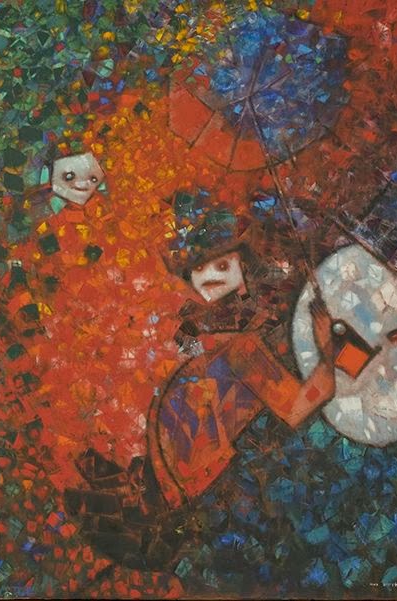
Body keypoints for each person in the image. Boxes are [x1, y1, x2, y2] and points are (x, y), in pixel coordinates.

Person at [64, 188, 335, 570]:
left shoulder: (168, 457)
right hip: (256, 356)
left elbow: (199, 368)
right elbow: (295, 406)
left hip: (240, 355)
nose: (117, 472)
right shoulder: (182, 461)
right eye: (117, 491)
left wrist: (191, 336)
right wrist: (328, 351)